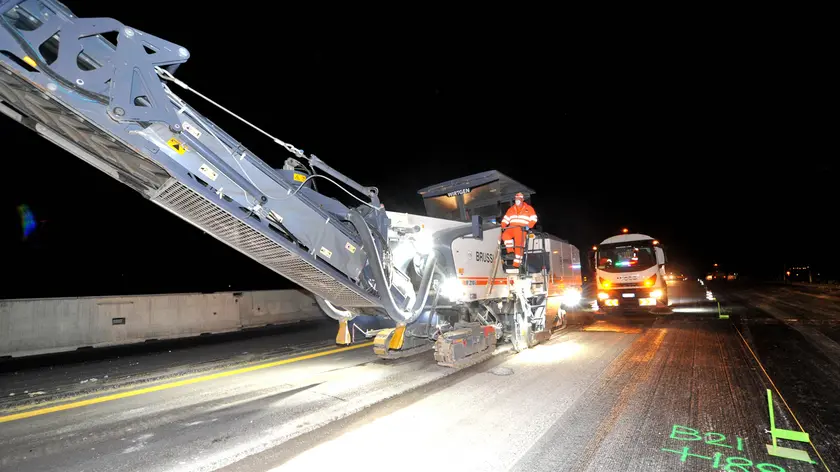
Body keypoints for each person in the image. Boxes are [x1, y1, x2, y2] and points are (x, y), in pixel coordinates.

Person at [501, 192, 537, 270]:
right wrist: (503, 226)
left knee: (519, 246)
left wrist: (529, 226)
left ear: (522, 199)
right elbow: (506, 219)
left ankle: (516, 265)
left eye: (519, 199)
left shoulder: (529, 208)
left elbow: (534, 219)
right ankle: (510, 252)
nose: (517, 200)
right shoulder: (511, 209)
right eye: (516, 199)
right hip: (511, 227)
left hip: (521, 229)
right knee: (505, 235)